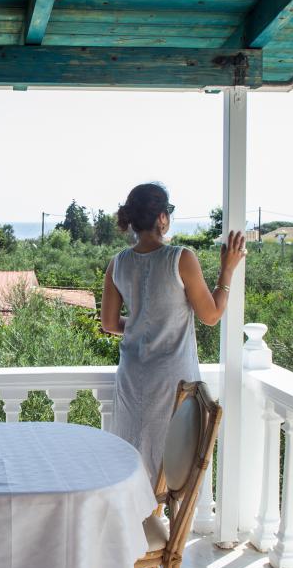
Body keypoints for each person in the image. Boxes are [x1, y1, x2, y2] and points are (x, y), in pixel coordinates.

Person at [100, 183, 246, 482]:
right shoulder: (180, 258)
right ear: (162, 218)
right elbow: (211, 315)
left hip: (132, 377)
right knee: (175, 465)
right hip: (173, 379)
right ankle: (162, 511)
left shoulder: (118, 263)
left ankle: (137, 511)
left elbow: (110, 323)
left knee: (133, 458)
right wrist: (227, 270)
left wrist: (142, 325)